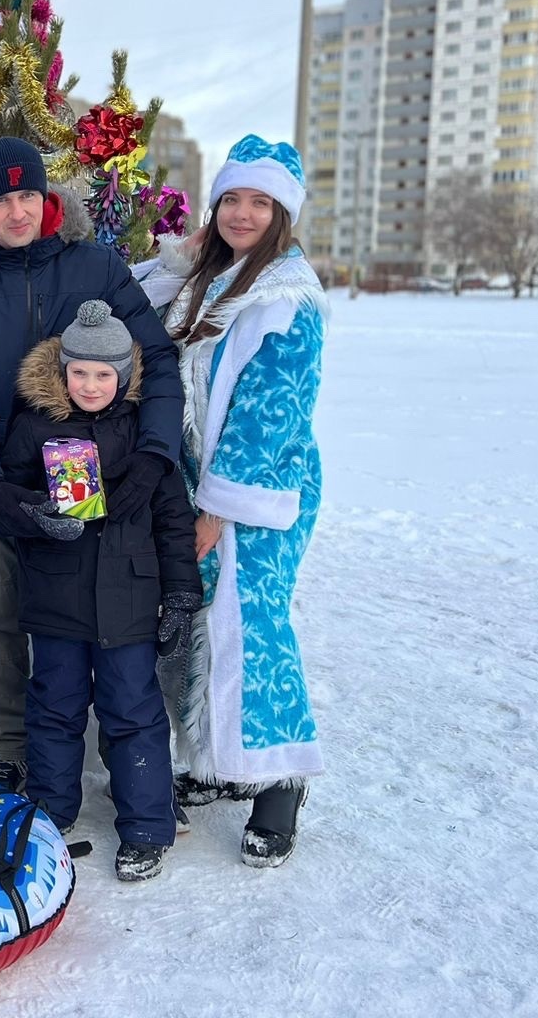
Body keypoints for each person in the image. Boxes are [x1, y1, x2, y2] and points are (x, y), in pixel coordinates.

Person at [0, 135, 183, 792]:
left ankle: (114, 759)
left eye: (27, 194)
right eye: (1, 200)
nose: (16, 212)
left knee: (86, 617)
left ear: (45, 196)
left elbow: (155, 359)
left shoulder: (96, 265)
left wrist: (154, 457)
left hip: (92, 489)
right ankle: (16, 747)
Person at [146, 135, 328, 869]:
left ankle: (281, 780)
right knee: (196, 624)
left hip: (256, 491)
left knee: (253, 627)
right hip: (192, 485)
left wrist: (219, 506)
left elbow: (273, 410)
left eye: (260, 202)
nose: (243, 214)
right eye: (233, 199)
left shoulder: (289, 297)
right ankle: (214, 760)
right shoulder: (210, 277)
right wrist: (180, 257)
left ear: (281, 213)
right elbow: (136, 301)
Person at [1, 300, 201, 881]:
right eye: (79, 372)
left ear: (124, 376)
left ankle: (146, 827)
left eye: (103, 374)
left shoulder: (144, 436)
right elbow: (9, 497)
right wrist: (37, 513)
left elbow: (173, 520)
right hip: (57, 598)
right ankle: (51, 811)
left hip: (129, 600)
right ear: (62, 371)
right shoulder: (34, 424)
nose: (90, 385)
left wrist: (181, 594)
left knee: (133, 713)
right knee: (54, 708)